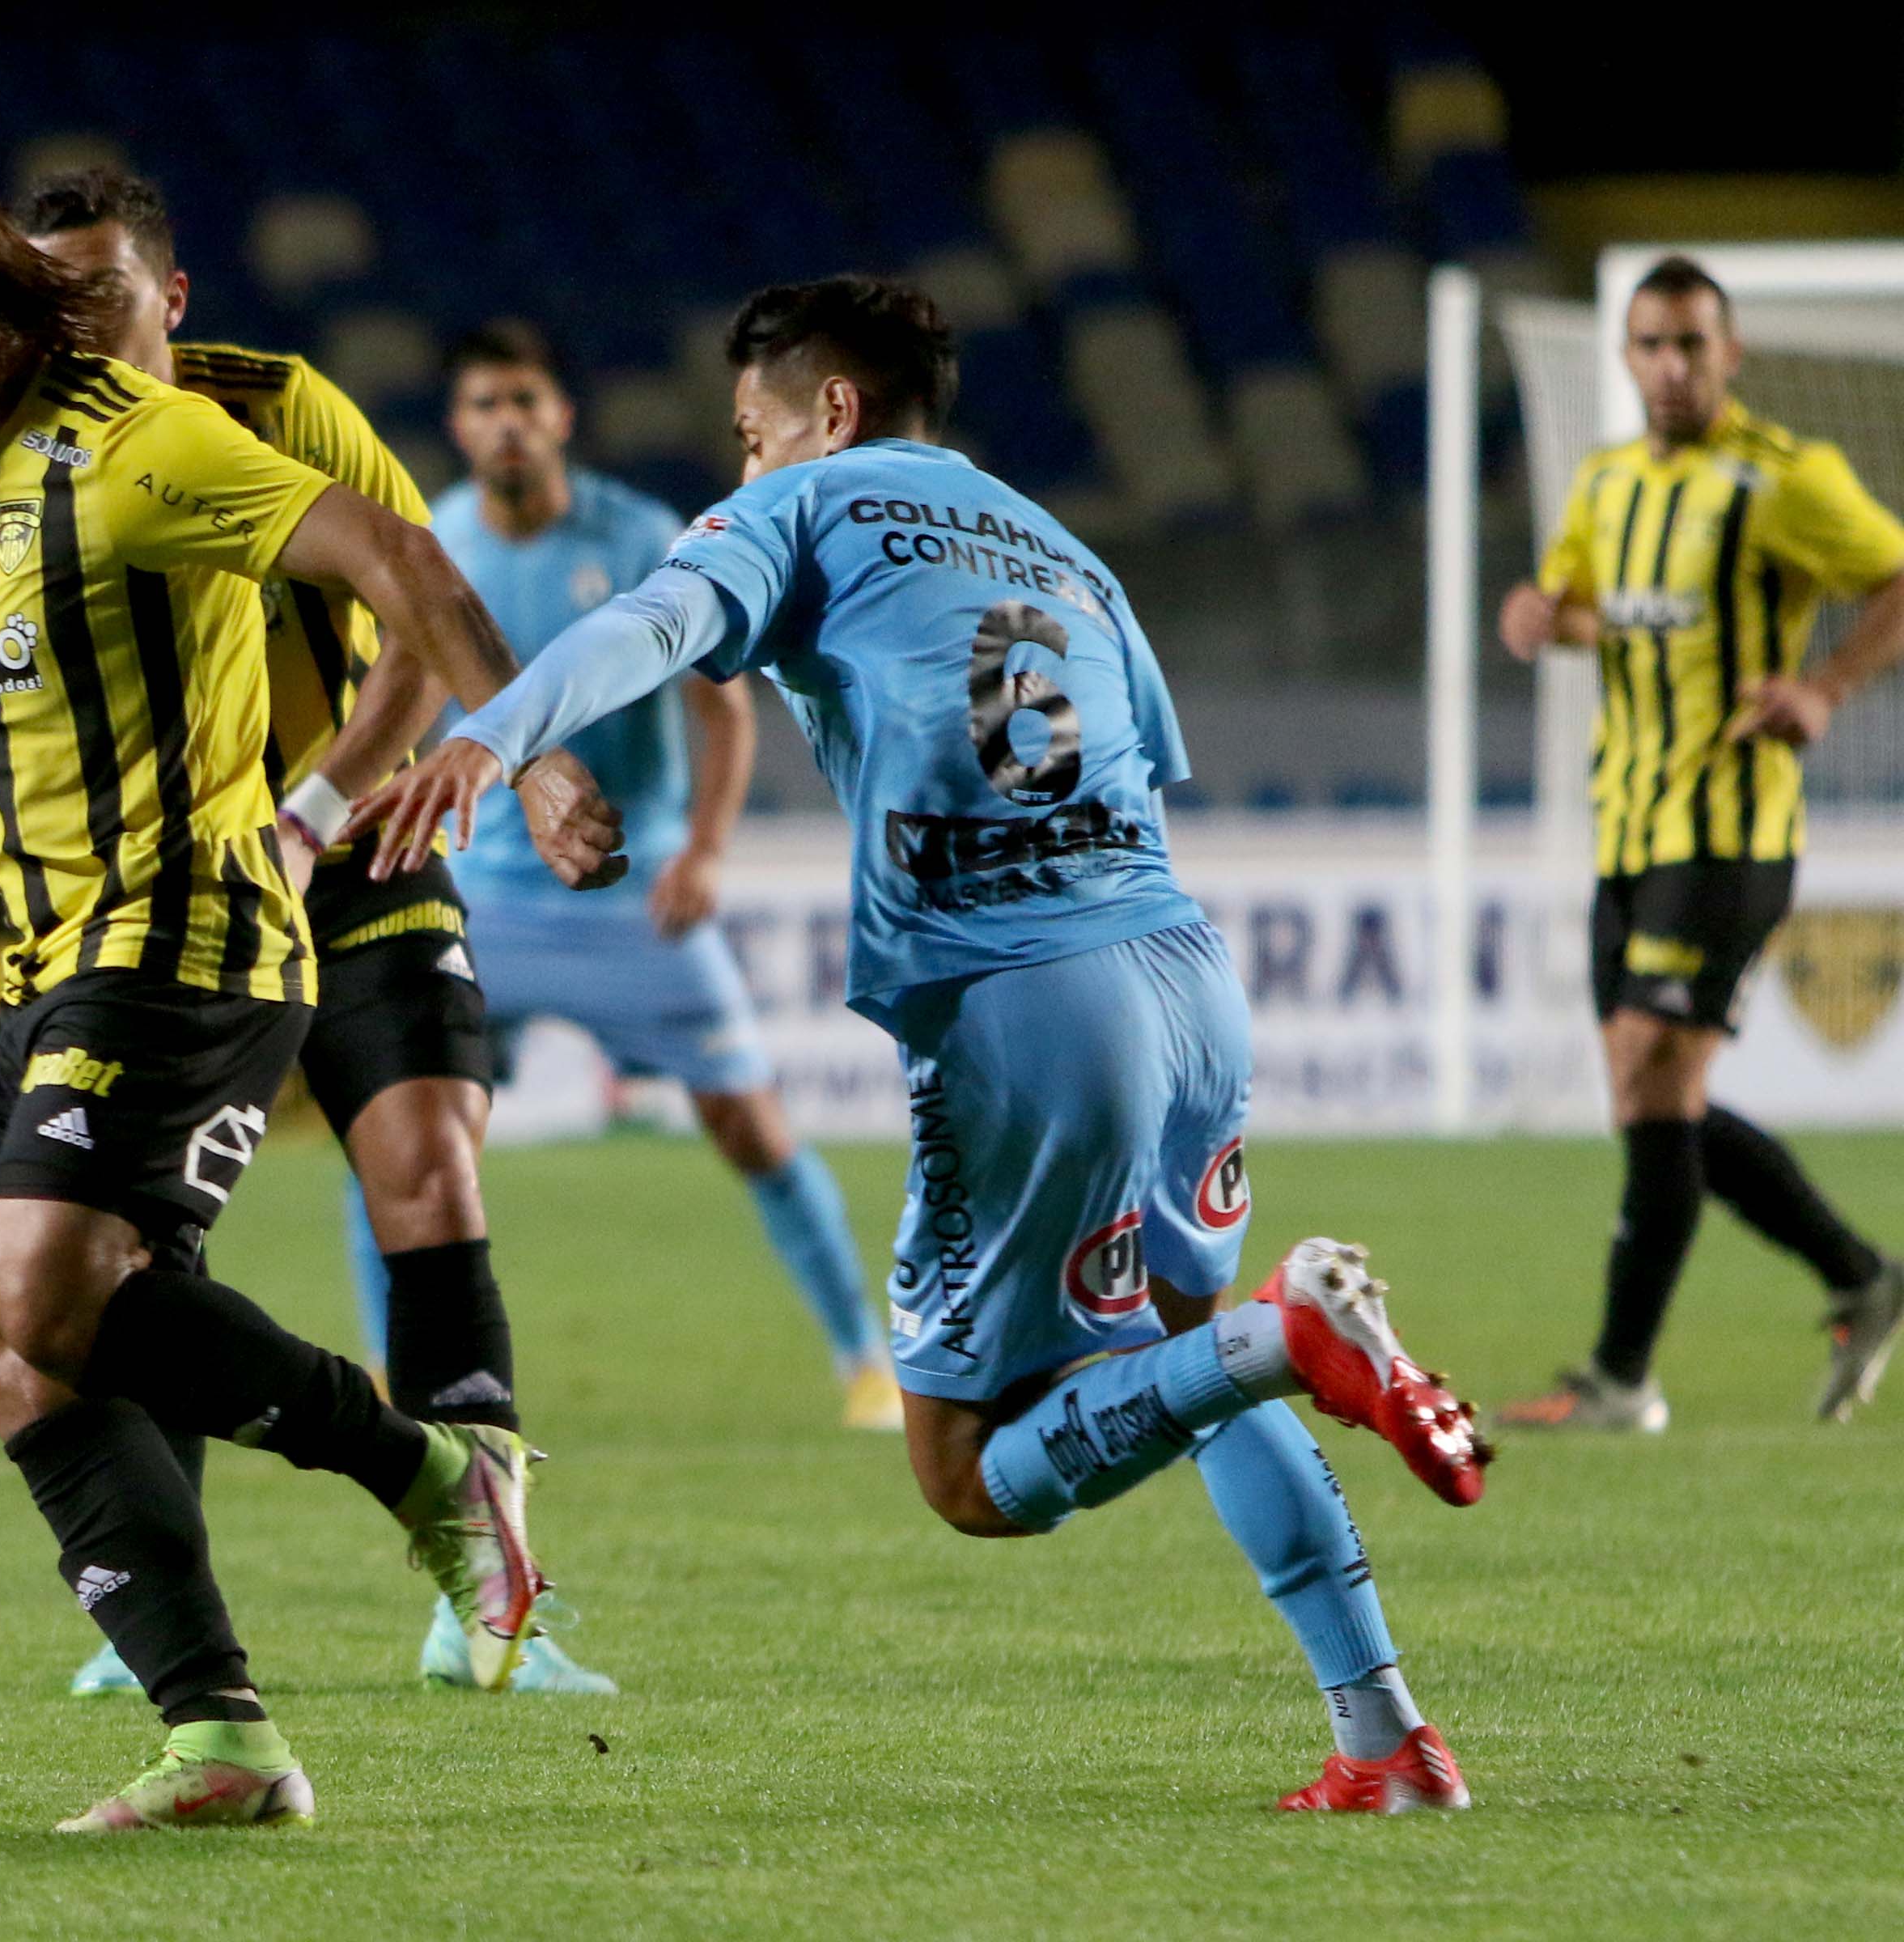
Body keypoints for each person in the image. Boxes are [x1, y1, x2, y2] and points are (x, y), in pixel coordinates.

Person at [354, 275, 1494, 1812]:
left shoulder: (805, 508)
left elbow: (656, 624)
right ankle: (1388, 1738)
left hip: (1025, 1004)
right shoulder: (1057, 543)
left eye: (751, 434)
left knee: (966, 1474)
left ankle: (1294, 1333)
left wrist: (497, 733)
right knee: (1188, 1361)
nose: (744, 466)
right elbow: (1135, 765)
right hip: (1179, 972)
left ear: (825, 413)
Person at [0, 165, 621, 1833]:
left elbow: (400, 559)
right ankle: (225, 1742)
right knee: (18, 1359)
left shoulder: (143, 446)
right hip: (48, 966)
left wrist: (523, 752)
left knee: (45, 1286)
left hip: (192, 931)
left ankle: (440, 1479)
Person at [0, 164, 613, 1694]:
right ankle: (164, 1610)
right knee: (126, 1247)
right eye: (47, 297)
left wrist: (326, 807)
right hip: (159, 891)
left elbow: (414, 621)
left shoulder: (279, 410)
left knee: (431, 1164)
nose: (72, 324)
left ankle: (494, 1593)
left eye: (100, 294)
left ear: (172, 299)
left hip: (351, 838)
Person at [415, 321, 900, 1431]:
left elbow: (724, 706)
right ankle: (418, 1379)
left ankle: (862, 1361)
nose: (506, 423)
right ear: (458, 425)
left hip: (635, 894)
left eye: (525, 401)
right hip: (485, 898)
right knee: (406, 1134)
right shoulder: (433, 545)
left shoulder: (638, 537)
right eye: (485, 404)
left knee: (751, 1127)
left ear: (561, 417)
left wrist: (707, 847)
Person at [1496, 253, 1904, 1432]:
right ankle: (1858, 1276)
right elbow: (1591, 607)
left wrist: (1825, 684)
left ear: (1732, 355)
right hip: (1624, 829)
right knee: (1647, 1097)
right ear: (1626, 358)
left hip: (1729, 829)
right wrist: (1543, 618)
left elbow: (1895, 578)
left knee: (1655, 1073)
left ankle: (1623, 1379)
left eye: (1692, 344)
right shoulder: (1609, 482)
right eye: (1651, 345)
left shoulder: (1783, 479)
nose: (1671, 366)